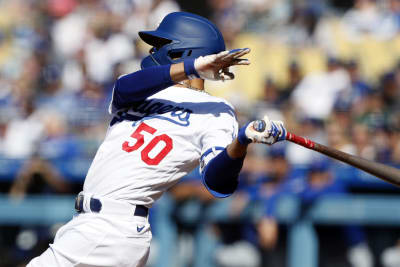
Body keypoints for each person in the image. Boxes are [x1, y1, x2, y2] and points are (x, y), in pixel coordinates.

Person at [27, 12, 286, 267]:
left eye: (160, 45)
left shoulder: (216, 110)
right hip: (91, 224)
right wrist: (193, 68)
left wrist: (241, 141)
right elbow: (125, 87)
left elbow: (218, 182)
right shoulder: (141, 91)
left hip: (112, 227)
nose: (152, 51)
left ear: (184, 50)